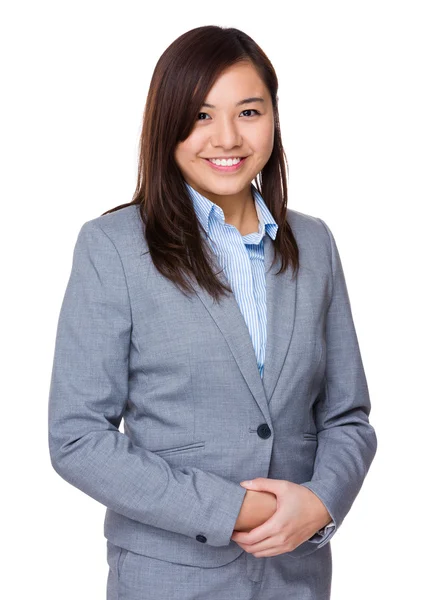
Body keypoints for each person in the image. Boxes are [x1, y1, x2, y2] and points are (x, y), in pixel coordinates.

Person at [48, 25, 378, 600]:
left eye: (249, 111)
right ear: (166, 124)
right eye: (201, 115)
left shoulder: (315, 243)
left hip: (295, 579)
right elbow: (78, 438)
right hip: (169, 579)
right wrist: (237, 509)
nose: (227, 137)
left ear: (274, 117)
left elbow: (348, 418)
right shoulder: (114, 246)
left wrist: (320, 503)